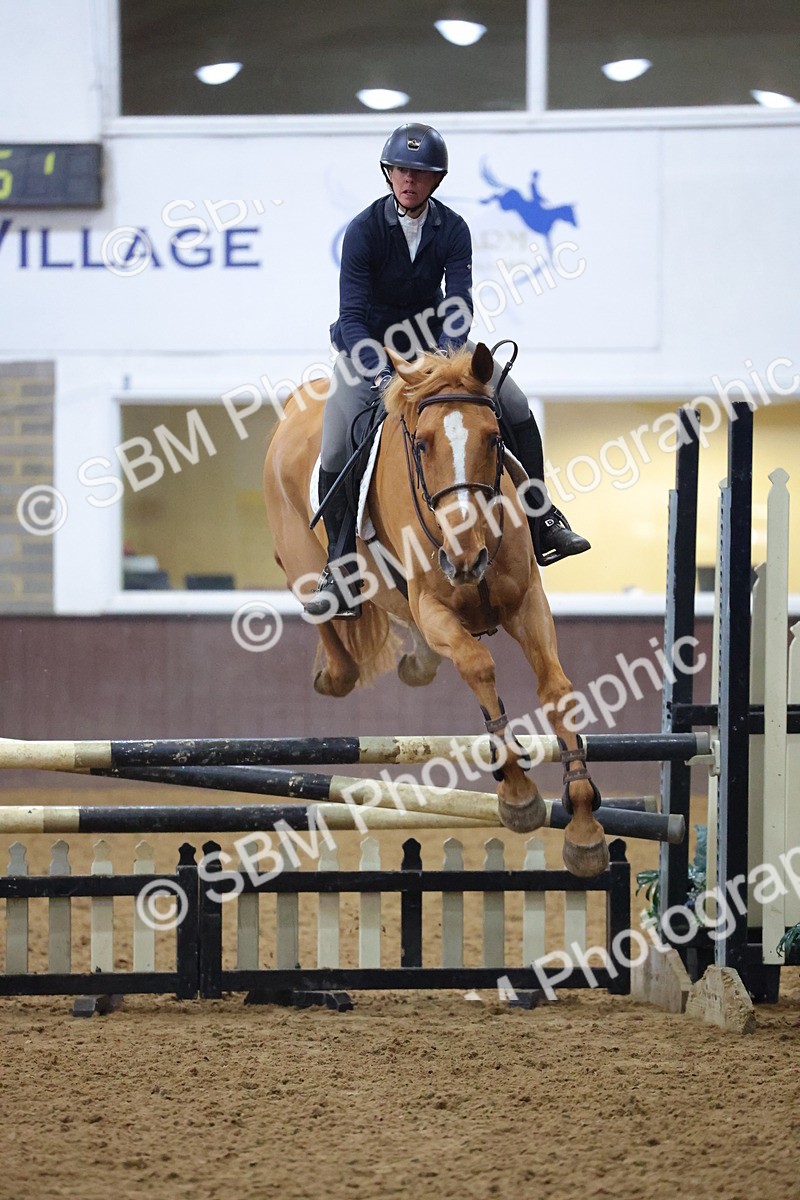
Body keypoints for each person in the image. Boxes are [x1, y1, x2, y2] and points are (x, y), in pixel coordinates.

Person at [306, 122, 589, 619]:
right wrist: (381, 375)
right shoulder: (364, 230)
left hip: (435, 350)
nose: (407, 180)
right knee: (335, 439)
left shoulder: (452, 228)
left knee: (516, 404)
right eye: (399, 170)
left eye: (418, 173)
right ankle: (340, 563)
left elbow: (457, 304)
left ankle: (544, 518)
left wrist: (447, 364)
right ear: (388, 174)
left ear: (434, 181)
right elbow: (351, 316)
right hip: (369, 349)